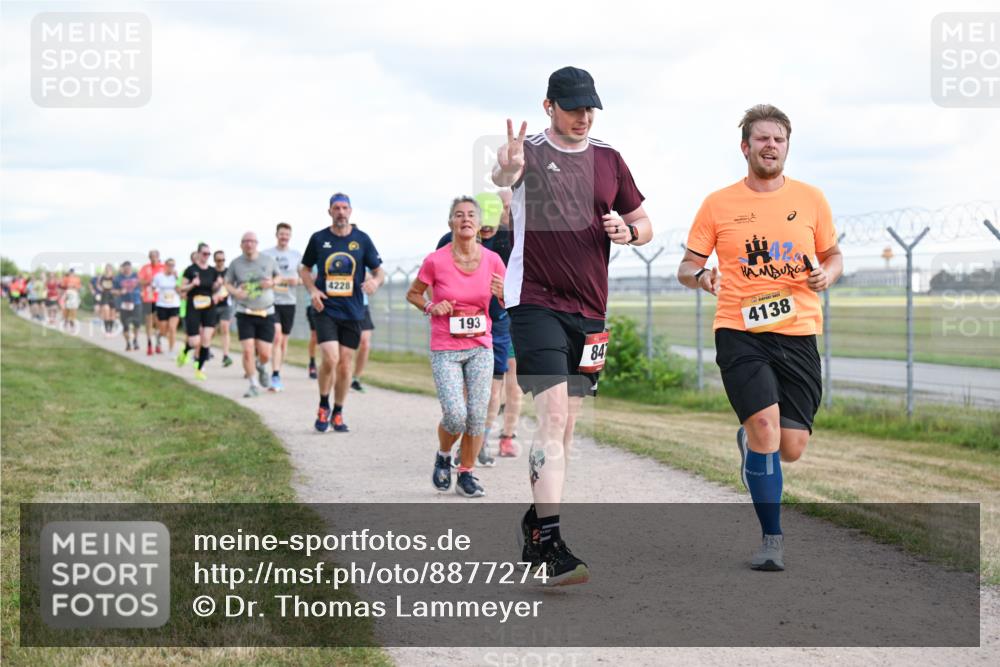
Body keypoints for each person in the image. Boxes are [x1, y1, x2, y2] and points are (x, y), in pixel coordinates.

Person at [492, 66, 653, 585]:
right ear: (549, 106)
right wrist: (506, 166)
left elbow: (646, 223)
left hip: (591, 312)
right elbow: (503, 178)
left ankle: (536, 522)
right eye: (573, 108)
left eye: (590, 108)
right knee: (554, 416)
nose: (583, 117)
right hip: (534, 303)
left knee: (567, 427)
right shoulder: (530, 152)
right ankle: (554, 544)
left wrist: (628, 230)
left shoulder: (610, 159)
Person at [677, 104, 843, 572]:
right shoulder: (718, 204)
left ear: (787, 146)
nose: (771, 146)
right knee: (767, 428)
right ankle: (772, 539)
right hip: (740, 330)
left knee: (791, 447)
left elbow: (832, 254)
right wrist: (702, 277)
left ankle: (751, 446)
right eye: (763, 139)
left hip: (798, 333)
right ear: (745, 146)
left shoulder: (811, 199)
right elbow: (686, 266)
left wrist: (827, 275)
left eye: (779, 139)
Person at [407, 196, 506, 497]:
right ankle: (443, 455)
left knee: (477, 414)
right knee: (454, 414)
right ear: (450, 222)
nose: (465, 219)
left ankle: (466, 473)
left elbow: (507, 304)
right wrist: (431, 307)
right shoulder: (435, 260)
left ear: (479, 224)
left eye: (471, 215)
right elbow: (414, 294)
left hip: (480, 346)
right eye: (459, 215)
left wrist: (504, 294)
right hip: (446, 348)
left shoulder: (493, 261)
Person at [299, 193, 385, 433]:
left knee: (346, 365)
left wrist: (375, 283)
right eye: (336, 208)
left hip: (354, 310)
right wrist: (313, 290)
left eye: (344, 208)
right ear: (329, 212)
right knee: (330, 357)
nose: (340, 212)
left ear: (350, 211)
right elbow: (305, 269)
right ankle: (323, 404)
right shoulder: (318, 239)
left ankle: (338, 410)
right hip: (326, 308)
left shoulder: (362, 240)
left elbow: (380, 271)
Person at [227, 231, 280, 398]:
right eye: (246, 241)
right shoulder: (235, 263)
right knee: (248, 350)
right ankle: (253, 384)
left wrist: (272, 282)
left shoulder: (268, 260)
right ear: (241, 244)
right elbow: (227, 283)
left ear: (257, 243)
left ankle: (262, 366)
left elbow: (278, 277)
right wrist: (235, 292)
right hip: (245, 311)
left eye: (252, 241)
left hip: (266, 312)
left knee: (265, 353)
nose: (249, 244)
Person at [262, 222, 303, 392]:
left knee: (283, 342)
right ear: (276, 235)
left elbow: (305, 278)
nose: (284, 237)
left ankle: (276, 367)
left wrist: (297, 281)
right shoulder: (267, 254)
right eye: (281, 234)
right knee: (277, 337)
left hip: (289, 302)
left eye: (287, 234)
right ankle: (275, 375)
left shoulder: (296, 255)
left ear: (290, 236)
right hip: (271, 301)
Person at [178, 243, 224, 380]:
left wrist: (218, 287)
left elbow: (216, 289)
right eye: (204, 253)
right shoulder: (190, 270)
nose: (206, 256)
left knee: (206, 339)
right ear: (198, 254)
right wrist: (192, 284)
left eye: (208, 254)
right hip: (194, 306)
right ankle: (185, 351)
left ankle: (200, 368)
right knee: (194, 341)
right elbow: (181, 288)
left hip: (209, 306)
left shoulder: (212, 271)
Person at [138, 249, 165, 354]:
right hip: (148, 298)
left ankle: (158, 343)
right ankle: (149, 344)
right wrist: (149, 281)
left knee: (159, 323)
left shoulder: (163, 268)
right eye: (151, 256)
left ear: (158, 256)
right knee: (149, 322)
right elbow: (140, 281)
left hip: (161, 299)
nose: (153, 258)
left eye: (155, 256)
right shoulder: (145, 268)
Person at [211, 250, 235, 368]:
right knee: (211, 331)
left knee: (225, 329)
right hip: (212, 306)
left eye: (223, 260)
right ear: (215, 260)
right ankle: (205, 349)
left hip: (226, 305)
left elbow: (233, 287)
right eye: (218, 260)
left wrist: (226, 287)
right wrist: (216, 285)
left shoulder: (228, 272)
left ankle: (225, 356)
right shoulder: (211, 272)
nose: (221, 262)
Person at [152, 258, 181, 352]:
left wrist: (177, 279)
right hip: (162, 305)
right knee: (164, 331)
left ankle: (171, 351)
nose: (171, 267)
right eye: (169, 265)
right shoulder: (158, 276)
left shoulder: (177, 277)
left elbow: (180, 291)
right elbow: (153, 288)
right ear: (165, 265)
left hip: (174, 305)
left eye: (173, 265)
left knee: (172, 329)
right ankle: (159, 336)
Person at [113, 261, 142, 351]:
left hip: (136, 302)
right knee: (125, 325)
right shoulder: (118, 278)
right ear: (123, 268)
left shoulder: (137, 276)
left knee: (136, 324)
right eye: (125, 268)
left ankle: (135, 340)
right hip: (124, 304)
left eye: (129, 268)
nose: (127, 270)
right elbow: (113, 291)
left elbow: (143, 285)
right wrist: (120, 292)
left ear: (131, 268)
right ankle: (128, 343)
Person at [351, 292, 374, 392]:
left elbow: (379, 277)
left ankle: (356, 379)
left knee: (365, 344)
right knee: (343, 345)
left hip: (361, 304)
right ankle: (339, 376)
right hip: (341, 303)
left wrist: (374, 281)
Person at [94, 264, 118, 336]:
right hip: (105, 296)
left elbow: (117, 285)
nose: (108, 270)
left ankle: (110, 329)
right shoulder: (102, 277)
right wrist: (100, 288)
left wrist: (115, 290)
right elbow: (98, 284)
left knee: (112, 314)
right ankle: (107, 330)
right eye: (106, 269)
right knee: (106, 312)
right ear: (105, 270)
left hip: (112, 296)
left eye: (109, 269)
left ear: (111, 270)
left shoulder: (114, 278)